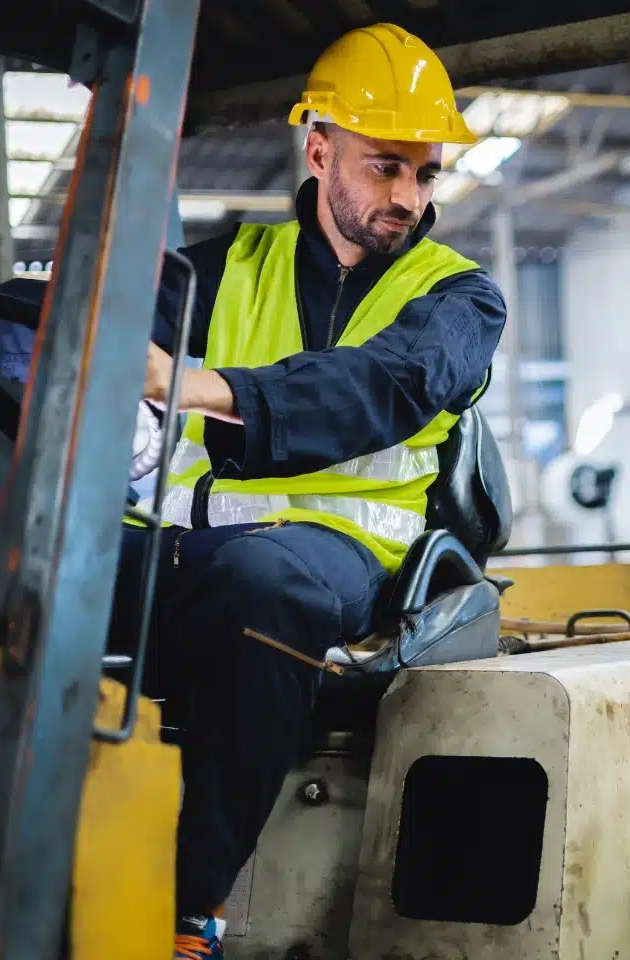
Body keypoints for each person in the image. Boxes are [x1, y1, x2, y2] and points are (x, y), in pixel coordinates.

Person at [46, 23, 498, 960]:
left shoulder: (459, 300)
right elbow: (94, 355)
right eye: (386, 169)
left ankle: (187, 905)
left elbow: (385, 389)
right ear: (320, 150)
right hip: (177, 545)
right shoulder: (211, 272)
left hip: (335, 560)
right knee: (26, 566)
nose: (408, 199)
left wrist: (196, 386)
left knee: (263, 588)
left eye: (424, 174)